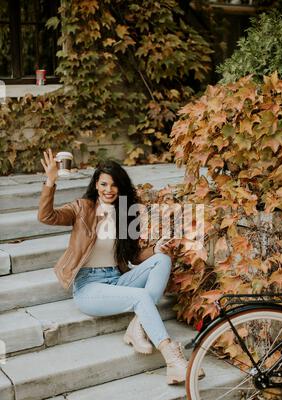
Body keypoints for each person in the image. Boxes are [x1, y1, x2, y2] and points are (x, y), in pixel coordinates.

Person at [38, 149, 193, 385]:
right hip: (89, 287)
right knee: (141, 297)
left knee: (162, 260)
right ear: (96, 185)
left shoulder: (126, 214)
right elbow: (46, 217)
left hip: (116, 278)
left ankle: (137, 325)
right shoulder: (82, 208)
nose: (108, 190)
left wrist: (156, 249)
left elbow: (133, 257)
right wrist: (50, 181)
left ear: (120, 187)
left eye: (114, 185)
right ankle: (172, 360)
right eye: (103, 184)